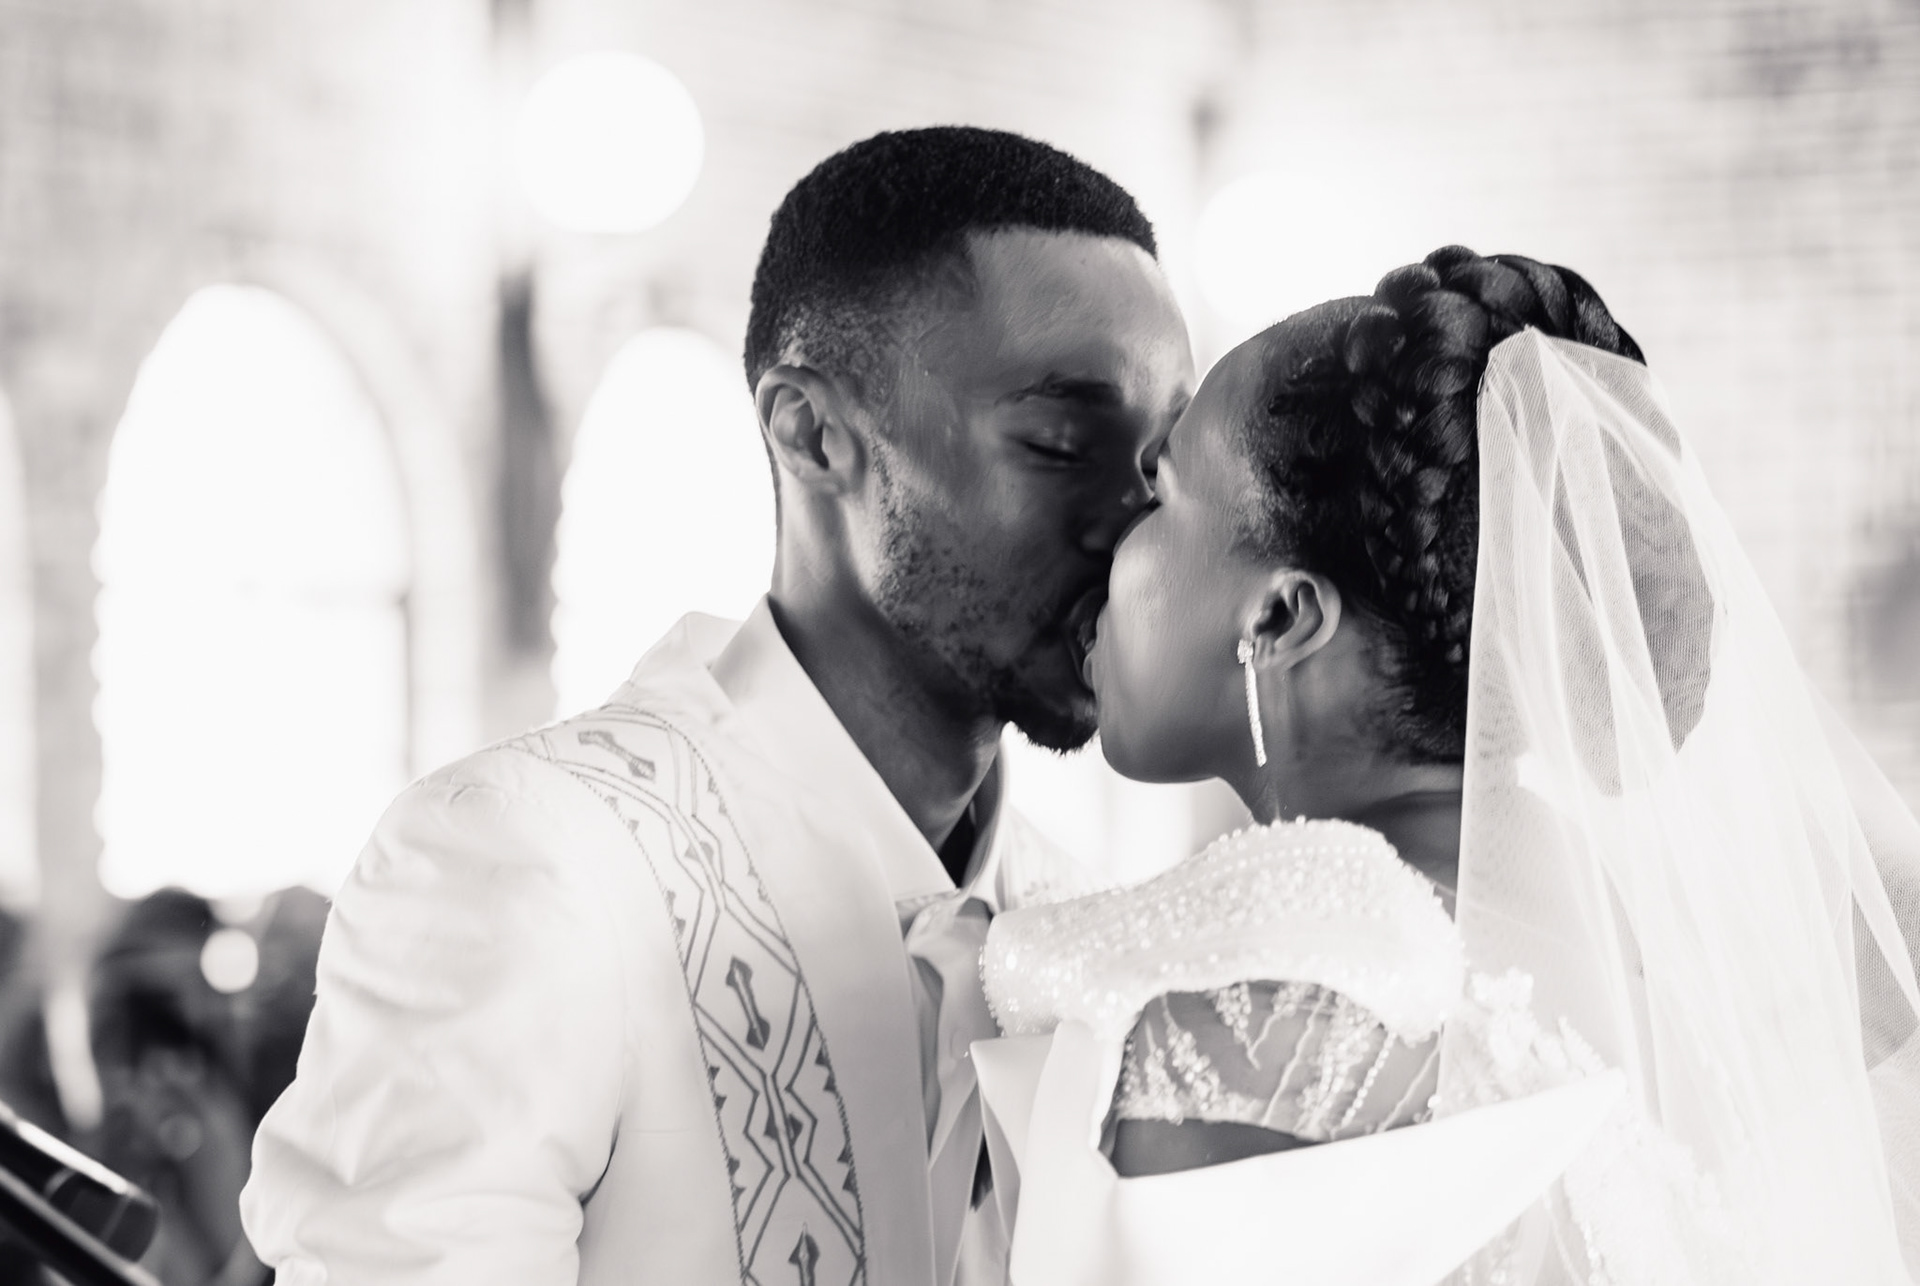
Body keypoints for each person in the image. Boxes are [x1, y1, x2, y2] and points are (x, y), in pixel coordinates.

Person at [240, 126, 1193, 1286]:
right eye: (1059, 441)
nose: (1136, 521)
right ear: (813, 434)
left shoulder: (1081, 922)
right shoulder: (532, 861)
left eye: (1164, 462)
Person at [977, 247, 1920, 1284]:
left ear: (1282, 617)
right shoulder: (1657, 962)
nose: (1113, 532)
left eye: (1160, 494)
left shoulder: (1256, 1010)